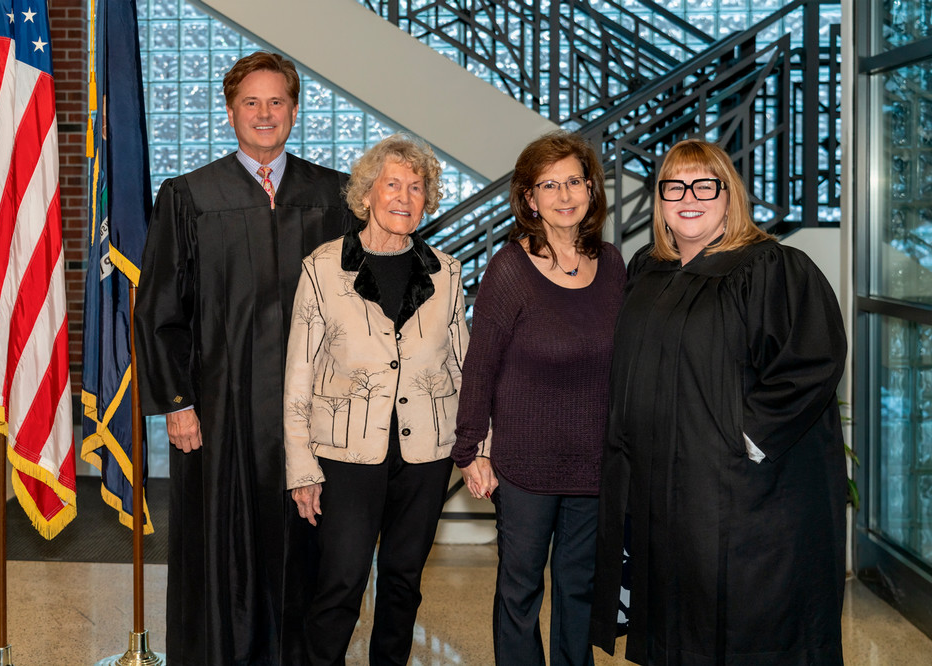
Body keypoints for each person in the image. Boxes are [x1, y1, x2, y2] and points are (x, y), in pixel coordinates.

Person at [590, 139, 847, 665]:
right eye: (675, 186)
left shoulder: (773, 267)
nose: (690, 197)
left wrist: (744, 440)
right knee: (675, 624)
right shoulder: (648, 269)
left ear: (729, 196)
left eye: (705, 185)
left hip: (741, 499)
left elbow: (811, 362)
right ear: (660, 200)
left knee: (743, 624)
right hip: (664, 496)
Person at [134, 51, 351, 665]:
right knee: (224, 545)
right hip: (222, 409)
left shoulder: (332, 194)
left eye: (276, 101)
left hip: (312, 410)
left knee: (308, 541)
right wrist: (177, 403)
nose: (264, 114)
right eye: (251, 103)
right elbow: (159, 310)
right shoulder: (191, 196)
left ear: (294, 110)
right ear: (230, 112)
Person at [283, 134, 469, 665]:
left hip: (425, 457)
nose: (404, 197)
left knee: (403, 584)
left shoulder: (447, 273)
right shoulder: (323, 268)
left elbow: (464, 365)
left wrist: (478, 444)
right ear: (367, 194)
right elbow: (299, 375)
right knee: (339, 584)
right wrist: (302, 467)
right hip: (345, 458)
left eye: (417, 187)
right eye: (393, 184)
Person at [451, 130, 626, 666]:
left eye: (574, 181)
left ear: (592, 190)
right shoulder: (509, 268)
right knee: (520, 591)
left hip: (592, 465)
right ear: (530, 199)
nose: (564, 194)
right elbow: (480, 365)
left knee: (578, 592)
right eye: (549, 184)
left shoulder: (615, 264)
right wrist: (472, 450)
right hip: (523, 465)